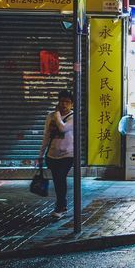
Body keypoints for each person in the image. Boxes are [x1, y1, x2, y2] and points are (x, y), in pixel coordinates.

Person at [42, 90, 75, 218]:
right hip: (52, 154)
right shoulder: (50, 116)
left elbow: (63, 128)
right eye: (62, 101)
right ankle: (62, 204)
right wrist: (41, 153)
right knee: (57, 180)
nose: (64, 104)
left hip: (68, 154)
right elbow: (46, 135)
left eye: (67, 102)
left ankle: (60, 206)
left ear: (72, 104)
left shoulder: (73, 117)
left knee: (60, 178)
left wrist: (57, 116)